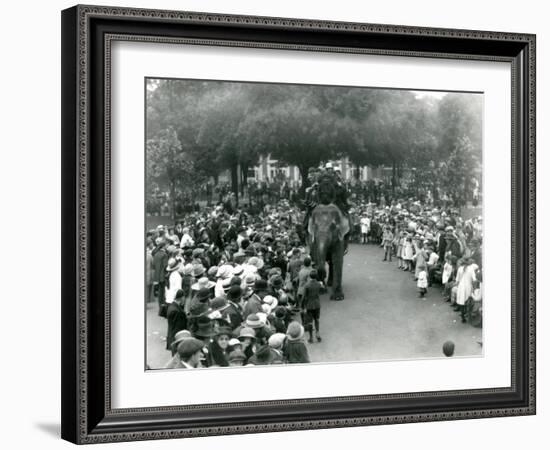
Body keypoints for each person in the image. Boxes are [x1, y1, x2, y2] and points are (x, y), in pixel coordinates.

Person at [302, 269, 323, 342]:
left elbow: (304, 297)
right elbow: (321, 289)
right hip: (317, 304)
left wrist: (302, 305)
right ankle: (317, 332)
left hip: (309, 305)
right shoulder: (318, 284)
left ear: (310, 276)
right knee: (317, 319)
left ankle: (311, 337)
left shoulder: (307, 285)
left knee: (310, 322)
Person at [166, 289, 188, 355]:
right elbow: (180, 327)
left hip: (172, 336)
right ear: (182, 297)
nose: (185, 299)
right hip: (177, 338)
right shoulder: (177, 311)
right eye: (184, 297)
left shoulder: (172, 306)